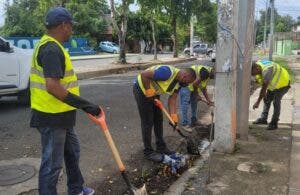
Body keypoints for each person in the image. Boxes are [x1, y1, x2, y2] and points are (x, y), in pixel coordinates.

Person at [30, 7, 100, 195]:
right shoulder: (51, 48)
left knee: (72, 153)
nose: (71, 30)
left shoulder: (51, 45)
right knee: (52, 165)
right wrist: (86, 105)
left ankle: (76, 189)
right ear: (63, 25)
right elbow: (53, 87)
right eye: (70, 26)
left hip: (61, 115)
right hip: (51, 117)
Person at [133, 65, 196, 162]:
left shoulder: (179, 83)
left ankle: (161, 147)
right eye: (188, 83)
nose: (187, 85)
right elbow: (144, 75)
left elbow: (173, 99)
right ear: (185, 76)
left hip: (154, 92)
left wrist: (173, 118)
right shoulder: (167, 73)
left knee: (158, 119)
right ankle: (148, 151)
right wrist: (148, 91)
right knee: (148, 121)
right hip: (142, 88)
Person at [251, 59, 290, 130]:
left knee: (276, 102)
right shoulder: (258, 64)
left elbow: (263, 89)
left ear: (257, 68)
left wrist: (257, 102)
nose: (253, 75)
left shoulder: (267, 71)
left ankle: (274, 123)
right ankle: (263, 119)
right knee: (267, 99)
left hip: (283, 83)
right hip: (274, 84)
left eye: (253, 73)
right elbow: (260, 80)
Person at [179, 65, 214, 132]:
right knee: (185, 104)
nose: (214, 78)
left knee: (194, 103)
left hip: (192, 86)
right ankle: (185, 124)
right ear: (213, 72)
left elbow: (203, 88)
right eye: (214, 77)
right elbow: (195, 84)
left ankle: (194, 120)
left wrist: (208, 100)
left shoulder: (208, 75)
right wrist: (197, 94)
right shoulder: (205, 73)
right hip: (186, 84)